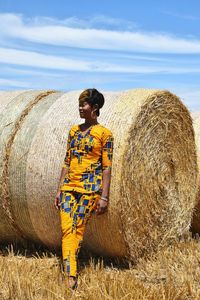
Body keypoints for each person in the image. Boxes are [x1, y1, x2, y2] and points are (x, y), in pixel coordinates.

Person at [54, 88, 113, 289]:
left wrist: (104, 197)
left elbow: (107, 167)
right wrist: (59, 189)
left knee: (76, 229)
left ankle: (70, 275)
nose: (80, 107)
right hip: (69, 187)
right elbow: (66, 161)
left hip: (91, 190)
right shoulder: (74, 131)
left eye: (84, 104)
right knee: (66, 228)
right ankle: (71, 271)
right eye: (80, 104)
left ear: (95, 108)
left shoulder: (105, 134)